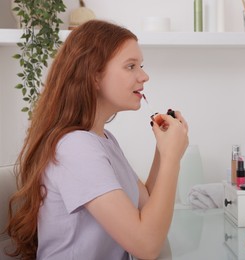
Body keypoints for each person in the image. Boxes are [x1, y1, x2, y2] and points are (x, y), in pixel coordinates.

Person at [6, 20, 189, 260]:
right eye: (131, 66)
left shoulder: (103, 139)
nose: (144, 76)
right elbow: (146, 246)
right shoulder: (76, 148)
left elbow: (145, 205)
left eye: (140, 65)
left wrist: (164, 152)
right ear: (94, 76)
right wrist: (172, 159)